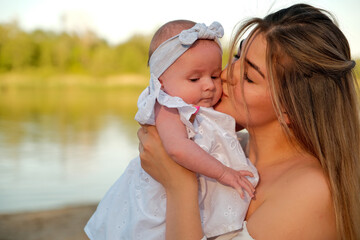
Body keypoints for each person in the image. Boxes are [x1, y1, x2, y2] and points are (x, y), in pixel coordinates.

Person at [138, 4, 360, 240]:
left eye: (248, 77)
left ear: (291, 108)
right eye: (237, 56)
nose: (224, 74)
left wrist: (180, 187)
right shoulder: (222, 147)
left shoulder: (312, 191)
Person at [84, 20, 258, 240]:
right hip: (158, 198)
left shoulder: (198, 108)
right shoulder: (168, 106)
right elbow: (178, 148)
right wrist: (223, 172)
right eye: (195, 78)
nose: (210, 85)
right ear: (161, 82)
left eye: (214, 75)